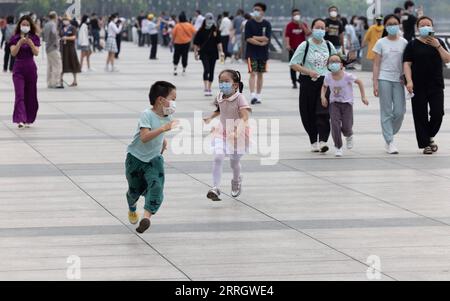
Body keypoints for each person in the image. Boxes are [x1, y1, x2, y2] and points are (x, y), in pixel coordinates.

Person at [125, 81, 179, 233]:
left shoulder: (168, 116)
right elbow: (144, 137)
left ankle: (146, 218)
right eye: (172, 98)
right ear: (161, 100)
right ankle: (132, 207)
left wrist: (163, 141)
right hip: (135, 159)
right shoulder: (146, 114)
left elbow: (159, 133)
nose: (174, 103)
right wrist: (163, 129)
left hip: (154, 160)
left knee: (156, 187)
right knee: (134, 191)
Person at [403, 16, 450, 155]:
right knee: (420, 115)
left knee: (438, 113)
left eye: (428, 24)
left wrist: (438, 46)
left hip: (436, 84)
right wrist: (409, 81)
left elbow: (447, 59)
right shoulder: (411, 45)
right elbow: (406, 64)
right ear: (418, 28)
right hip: (418, 85)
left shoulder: (439, 42)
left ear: (432, 27)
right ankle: (426, 144)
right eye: (422, 25)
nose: (425, 27)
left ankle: (429, 136)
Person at [290, 18, 337, 153]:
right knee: (308, 112)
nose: (320, 30)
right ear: (312, 29)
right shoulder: (305, 45)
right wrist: (308, 71)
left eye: (323, 28)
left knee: (322, 111)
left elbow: (336, 61)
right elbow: (293, 64)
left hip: (325, 83)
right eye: (318, 27)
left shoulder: (329, 45)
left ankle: (323, 140)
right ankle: (313, 140)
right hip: (307, 82)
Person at [203, 70, 251, 201]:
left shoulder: (240, 98)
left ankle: (236, 181)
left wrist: (237, 132)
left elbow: (245, 117)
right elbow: (220, 109)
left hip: (238, 134)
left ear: (235, 85)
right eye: (221, 82)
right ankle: (215, 187)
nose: (223, 84)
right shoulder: (220, 96)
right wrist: (210, 117)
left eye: (226, 82)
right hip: (222, 132)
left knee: (234, 163)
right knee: (218, 157)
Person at [372, 14, 408, 155]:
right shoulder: (381, 42)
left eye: (395, 23)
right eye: (390, 24)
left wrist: (407, 79)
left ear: (399, 25)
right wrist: (375, 82)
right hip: (384, 78)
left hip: (399, 80)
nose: (393, 26)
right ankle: (390, 141)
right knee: (386, 111)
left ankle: (389, 134)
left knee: (400, 112)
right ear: (386, 26)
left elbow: (407, 63)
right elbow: (376, 64)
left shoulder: (404, 42)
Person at [321, 54, 369, 157]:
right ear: (328, 65)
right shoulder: (328, 77)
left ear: (341, 64)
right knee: (335, 125)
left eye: (336, 61)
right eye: (331, 62)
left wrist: (363, 97)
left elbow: (359, 82)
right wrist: (323, 97)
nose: (334, 63)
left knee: (347, 126)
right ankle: (338, 147)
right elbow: (324, 86)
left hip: (347, 104)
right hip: (334, 104)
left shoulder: (347, 76)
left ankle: (349, 135)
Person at [9, 15, 40, 129]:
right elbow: (13, 53)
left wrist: (30, 43)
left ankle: (29, 118)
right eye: (23, 24)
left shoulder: (34, 37)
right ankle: (20, 119)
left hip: (31, 68)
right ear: (19, 25)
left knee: (30, 94)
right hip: (18, 68)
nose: (25, 26)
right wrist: (19, 43)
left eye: (27, 25)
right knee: (20, 94)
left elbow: (36, 52)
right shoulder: (15, 37)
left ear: (30, 26)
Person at [245, 2, 272, 105]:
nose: (256, 11)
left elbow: (267, 38)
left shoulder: (267, 24)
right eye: (254, 9)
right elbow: (248, 38)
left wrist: (255, 37)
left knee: (260, 74)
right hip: (251, 52)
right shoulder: (249, 23)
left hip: (263, 53)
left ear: (263, 12)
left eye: (258, 9)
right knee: (252, 73)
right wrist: (260, 43)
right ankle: (252, 96)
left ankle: (258, 95)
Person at [194, 13, 225, 97]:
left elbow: (219, 42)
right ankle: (205, 87)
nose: (210, 22)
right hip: (204, 53)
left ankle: (209, 87)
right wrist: (195, 53)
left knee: (211, 70)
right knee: (206, 69)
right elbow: (196, 43)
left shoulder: (216, 30)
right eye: (208, 20)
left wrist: (221, 52)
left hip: (213, 53)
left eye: (211, 20)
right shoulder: (201, 31)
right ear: (205, 20)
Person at [284, 8, 311, 89]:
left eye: (298, 14)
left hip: (302, 48)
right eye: (295, 15)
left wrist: (303, 27)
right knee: (293, 65)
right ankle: (294, 81)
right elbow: (287, 36)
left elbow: (308, 33)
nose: (297, 16)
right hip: (293, 48)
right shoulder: (289, 25)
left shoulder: (303, 24)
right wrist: (287, 45)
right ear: (292, 16)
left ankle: (300, 79)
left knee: (303, 64)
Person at [42, 11, 63, 89]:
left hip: (47, 48)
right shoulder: (53, 24)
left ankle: (49, 82)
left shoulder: (46, 25)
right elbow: (54, 34)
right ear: (55, 16)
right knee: (57, 65)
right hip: (53, 47)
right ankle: (56, 82)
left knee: (50, 66)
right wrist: (56, 42)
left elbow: (43, 36)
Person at [60, 15, 81, 87]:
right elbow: (59, 36)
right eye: (64, 20)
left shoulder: (73, 28)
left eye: (66, 20)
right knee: (62, 64)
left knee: (73, 63)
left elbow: (74, 37)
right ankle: (60, 80)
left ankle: (75, 80)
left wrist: (67, 37)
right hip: (64, 49)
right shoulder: (62, 28)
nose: (65, 21)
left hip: (71, 48)